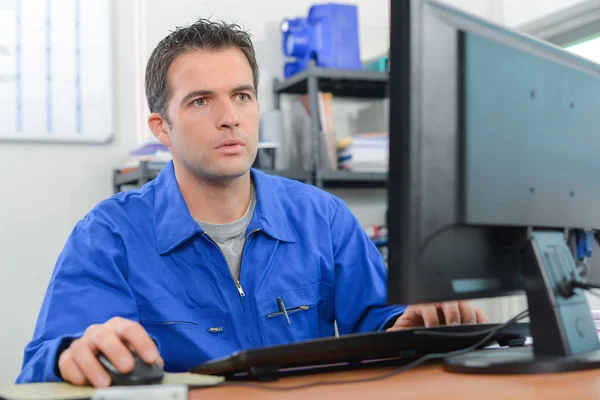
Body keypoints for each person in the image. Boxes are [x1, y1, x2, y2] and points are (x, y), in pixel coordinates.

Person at [16, 18, 487, 387]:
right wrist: (70, 354)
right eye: (201, 101)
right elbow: (42, 364)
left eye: (242, 96)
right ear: (161, 128)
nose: (229, 119)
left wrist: (413, 325)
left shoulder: (322, 217)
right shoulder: (109, 234)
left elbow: (382, 321)